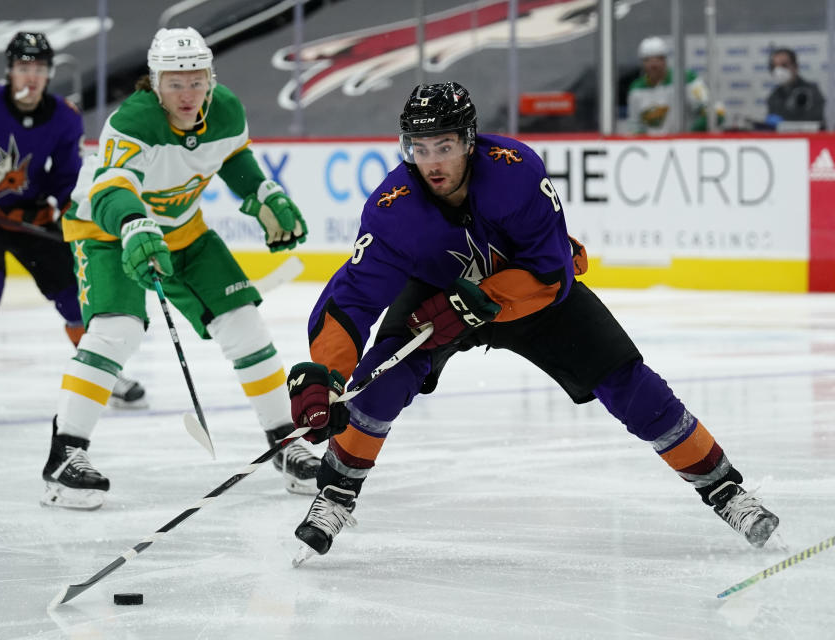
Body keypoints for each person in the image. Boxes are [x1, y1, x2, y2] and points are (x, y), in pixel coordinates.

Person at [286, 81, 780, 561]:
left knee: (628, 381)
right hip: (438, 294)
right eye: (419, 147)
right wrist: (327, 374)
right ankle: (335, 494)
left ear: (469, 141)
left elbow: (551, 272)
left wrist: (483, 299)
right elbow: (351, 297)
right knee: (379, 383)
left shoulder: (516, 171)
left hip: (532, 296)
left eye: (444, 145)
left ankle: (726, 490)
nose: (431, 162)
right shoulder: (391, 209)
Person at [40, 27, 316, 510]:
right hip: (109, 230)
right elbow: (112, 188)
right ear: (154, 82)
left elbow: (231, 156)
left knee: (246, 325)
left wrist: (261, 192)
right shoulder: (134, 120)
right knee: (115, 331)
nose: (187, 94)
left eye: (196, 80)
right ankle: (66, 456)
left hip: (183, 230)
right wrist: (133, 223)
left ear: (210, 78)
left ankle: (284, 443)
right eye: (174, 83)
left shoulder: (226, 109)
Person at [0, 31, 146, 423]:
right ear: (10, 71)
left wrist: (76, 213)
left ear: (50, 73)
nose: (31, 77)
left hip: (28, 219)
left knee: (74, 290)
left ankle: (103, 370)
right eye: (23, 68)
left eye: (39, 68)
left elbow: (68, 178)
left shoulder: (65, 119)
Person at [626, 36, 721, 134]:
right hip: (652, 148)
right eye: (648, 60)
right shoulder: (636, 88)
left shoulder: (686, 79)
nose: (653, 65)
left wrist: (691, 135)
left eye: (658, 59)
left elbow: (717, 113)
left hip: (686, 145)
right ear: (642, 63)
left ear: (665, 60)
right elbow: (635, 126)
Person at [765, 47, 826, 129]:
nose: (778, 70)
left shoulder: (811, 91)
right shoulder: (774, 96)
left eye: (784, 65)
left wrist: (785, 122)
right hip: (783, 141)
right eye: (774, 66)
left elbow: (816, 121)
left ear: (795, 66)